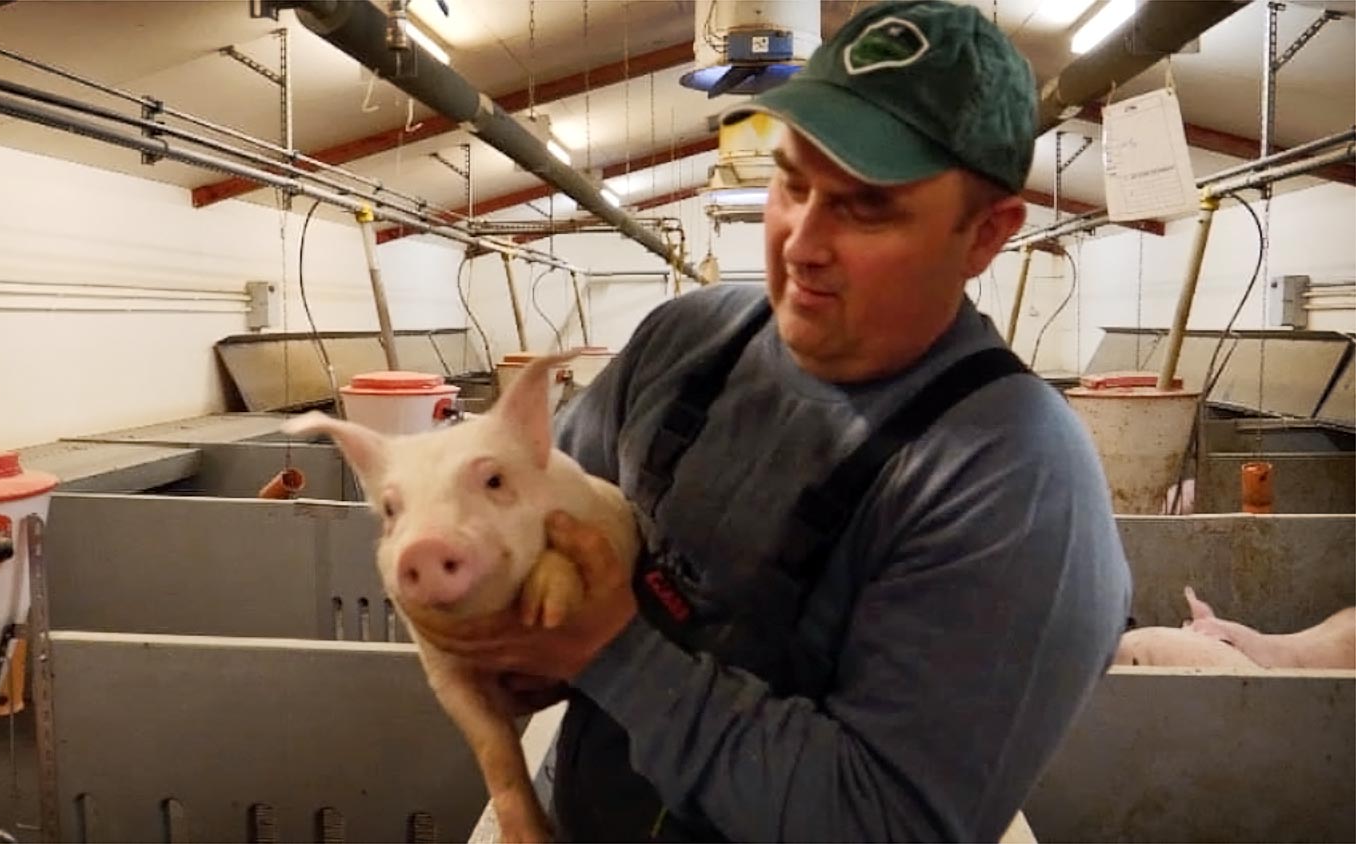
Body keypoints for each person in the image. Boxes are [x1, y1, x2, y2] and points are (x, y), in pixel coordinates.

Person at [411, 1, 1133, 840]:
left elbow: (886, 822)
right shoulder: (683, 340)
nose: (801, 241)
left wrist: (607, 650)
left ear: (986, 234)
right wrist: (502, 633)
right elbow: (535, 542)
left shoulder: (1013, 477)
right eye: (793, 182)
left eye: (865, 208)